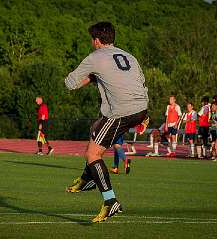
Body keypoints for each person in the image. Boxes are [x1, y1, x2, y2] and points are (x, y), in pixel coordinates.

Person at [64, 22, 149, 222]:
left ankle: (110, 201)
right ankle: (86, 179)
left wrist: (92, 78)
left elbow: (70, 83)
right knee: (96, 129)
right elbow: (142, 83)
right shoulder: (129, 56)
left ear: (96, 40)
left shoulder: (95, 57)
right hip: (141, 108)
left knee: (93, 154)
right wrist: (145, 114)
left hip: (121, 112)